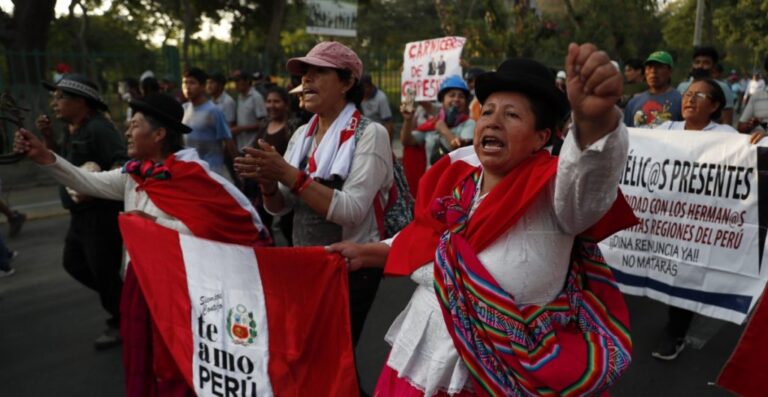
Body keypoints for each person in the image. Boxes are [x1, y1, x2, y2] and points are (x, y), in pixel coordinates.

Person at [328, 42, 635, 396]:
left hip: (507, 367)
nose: (493, 121)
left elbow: (589, 182)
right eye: (487, 111)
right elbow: (426, 238)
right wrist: (367, 252)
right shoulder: (457, 178)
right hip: (425, 354)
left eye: (512, 115)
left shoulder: (556, 189)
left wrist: (596, 124)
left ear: (542, 138)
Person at [15, 93, 270, 397]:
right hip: (140, 288)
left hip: (185, 297)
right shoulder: (134, 175)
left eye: (134, 125)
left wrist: (155, 227)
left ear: (159, 134)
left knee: (181, 367)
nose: (126, 131)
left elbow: (241, 228)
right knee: (143, 364)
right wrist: (45, 157)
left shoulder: (198, 179)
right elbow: (88, 182)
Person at [233, 41, 393, 362]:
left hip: (349, 272)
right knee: (313, 359)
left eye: (319, 72)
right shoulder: (301, 135)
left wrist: (288, 174)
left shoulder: (370, 134)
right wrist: (268, 185)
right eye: (304, 73)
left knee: (337, 362)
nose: (306, 81)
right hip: (306, 266)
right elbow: (283, 208)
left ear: (347, 82)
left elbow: (351, 211)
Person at [652, 79, 764, 360]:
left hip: (701, 221)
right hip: (667, 218)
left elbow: (747, 163)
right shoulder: (667, 130)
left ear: (714, 105)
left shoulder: (726, 136)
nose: (689, 99)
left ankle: (675, 333)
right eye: (687, 94)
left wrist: (758, 143)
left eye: (699, 95)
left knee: (688, 274)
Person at [35, 74, 128, 350]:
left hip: (101, 215)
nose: (55, 103)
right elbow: (60, 162)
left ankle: (121, 320)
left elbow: (122, 163)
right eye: (55, 97)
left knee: (104, 271)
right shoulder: (70, 128)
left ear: (81, 101)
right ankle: (127, 305)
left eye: (61, 97)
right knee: (74, 263)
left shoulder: (99, 129)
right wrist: (48, 138)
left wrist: (96, 183)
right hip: (80, 216)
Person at [243, 86, 300, 246]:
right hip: (264, 186)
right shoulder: (265, 124)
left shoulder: (294, 127)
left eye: (277, 101)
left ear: (286, 105)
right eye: (268, 101)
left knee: (288, 227)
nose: (272, 105)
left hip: (287, 186)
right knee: (263, 224)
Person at [400, 75, 476, 166]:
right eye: (452, 95)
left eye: (461, 96)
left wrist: (443, 130)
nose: (456, 99)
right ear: (442, 100)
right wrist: (408, 120)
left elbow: (461, 149)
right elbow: (407, 141)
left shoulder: (469, 124)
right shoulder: (432, 123)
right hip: (432, 178)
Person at [181, 67, 237, 180]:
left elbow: (228, 140)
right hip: (191, 172)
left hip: (212, 172)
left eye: (192, 82)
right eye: (185, 82)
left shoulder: (213, 111)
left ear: (202, 86)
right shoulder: (184, 109)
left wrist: (238, 170)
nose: (187, 87)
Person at [675, 46, 735, 125]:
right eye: (697, 62)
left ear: (714, 67)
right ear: (692, 65)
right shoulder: (682, 87)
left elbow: (727, 121)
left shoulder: (723, 88)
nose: (700, 66)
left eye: (706, 63)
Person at [624, 51, 683, 128]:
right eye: (649, 67)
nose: (653, 71)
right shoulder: (633, 102)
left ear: (670, 71)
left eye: (659, 67)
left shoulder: (681, 101)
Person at [231, 69, 267, 151]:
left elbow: (263, 123)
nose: (235, 84)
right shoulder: (240, 97)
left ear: (247, 81)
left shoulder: (256, 97)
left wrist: (240, 129)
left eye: (238, 81)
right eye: (235, 81)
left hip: (253, 145)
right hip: (241, 145)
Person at [738, 58, 768, 134]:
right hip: (758, 144)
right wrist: (750, 125)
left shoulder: (762, 82)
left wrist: (764, 127)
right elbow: (740, 127)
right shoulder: (756, 96)